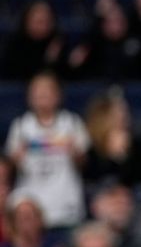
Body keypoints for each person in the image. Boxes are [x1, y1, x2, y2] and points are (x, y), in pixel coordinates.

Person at [5, 72, 90, 230]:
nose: (42, 95)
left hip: (66, 203)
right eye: (37, 91)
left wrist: (75, 154)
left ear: (58, 95)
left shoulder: (72, 123)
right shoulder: (21, 126)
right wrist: (16, 159)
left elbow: (84, 163)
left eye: (47, 90)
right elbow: (9, 168)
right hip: (32, 203)